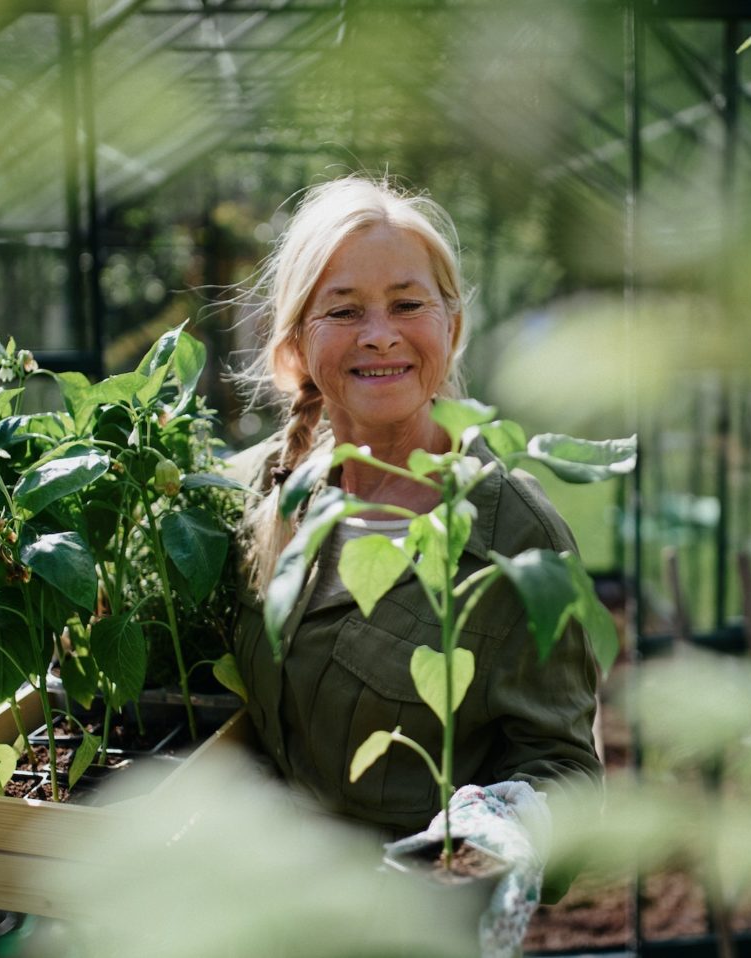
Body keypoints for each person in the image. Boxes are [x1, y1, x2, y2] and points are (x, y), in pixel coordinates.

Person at [223, 175, 600, 949]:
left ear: (452, 328)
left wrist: (495, 830)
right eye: (344, 310)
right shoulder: (256, 490)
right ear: (296, 342)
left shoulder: (514, 539)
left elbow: (565, 772)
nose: (380, 334)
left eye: (406, 304)